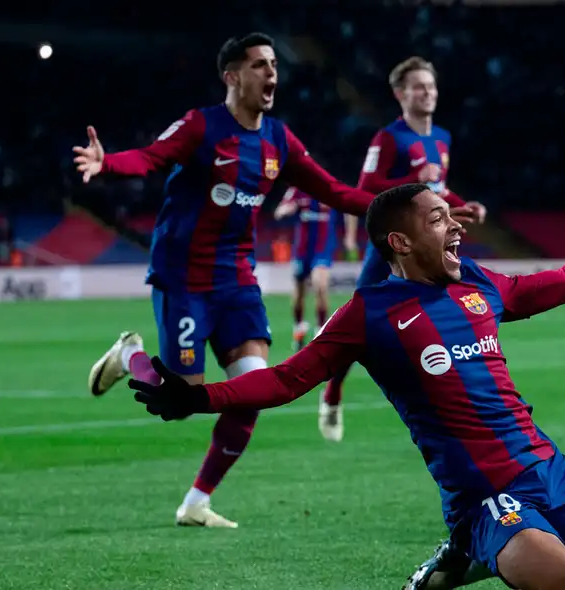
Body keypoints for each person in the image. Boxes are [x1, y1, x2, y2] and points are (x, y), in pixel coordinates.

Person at [127, 183, 565, 589]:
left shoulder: (476, 282)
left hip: (546, 464)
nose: (457, 227)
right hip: (482, 493)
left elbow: (561, 281)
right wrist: (198, 396)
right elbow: (285, 379)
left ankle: (466, 560)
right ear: (400, 242)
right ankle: (476, 538)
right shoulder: (367, 314)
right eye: (439, 220)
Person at [72, 32, 382, 529]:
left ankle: (195, 503)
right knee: (180, 402)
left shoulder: (279, 140)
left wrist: (405, 205)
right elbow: (151, 157)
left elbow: (335, 191)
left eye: (274, 64)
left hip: (236, 279)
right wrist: (106, 162)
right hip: (183, 278)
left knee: (253, 391)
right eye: (260, 65)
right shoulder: (202, 126)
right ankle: (130, 356)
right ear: (232, 76)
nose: (272, 73)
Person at [322, 56, 487, 438]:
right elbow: (366, 188)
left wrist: (463, 203)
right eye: (418, 86)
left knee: (452, 314)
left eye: (431, 85)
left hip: (431, 248)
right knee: (357, 322)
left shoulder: (441, 137)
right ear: (400, 94)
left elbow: (437, 189)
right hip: (393, 248)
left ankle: (456, 400)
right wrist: (414, 178)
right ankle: (332, 391)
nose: (427, 92)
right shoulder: (389, 138)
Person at [272, 186, 340, 354]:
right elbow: (279, 211)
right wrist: (286, 209)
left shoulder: (329, 188)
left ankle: (320, 330)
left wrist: (350, 237)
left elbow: (348, 208)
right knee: (299, 293)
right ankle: (299, 327)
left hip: (323, 248)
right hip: (302, 250)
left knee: (320, 285)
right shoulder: (297, 190)